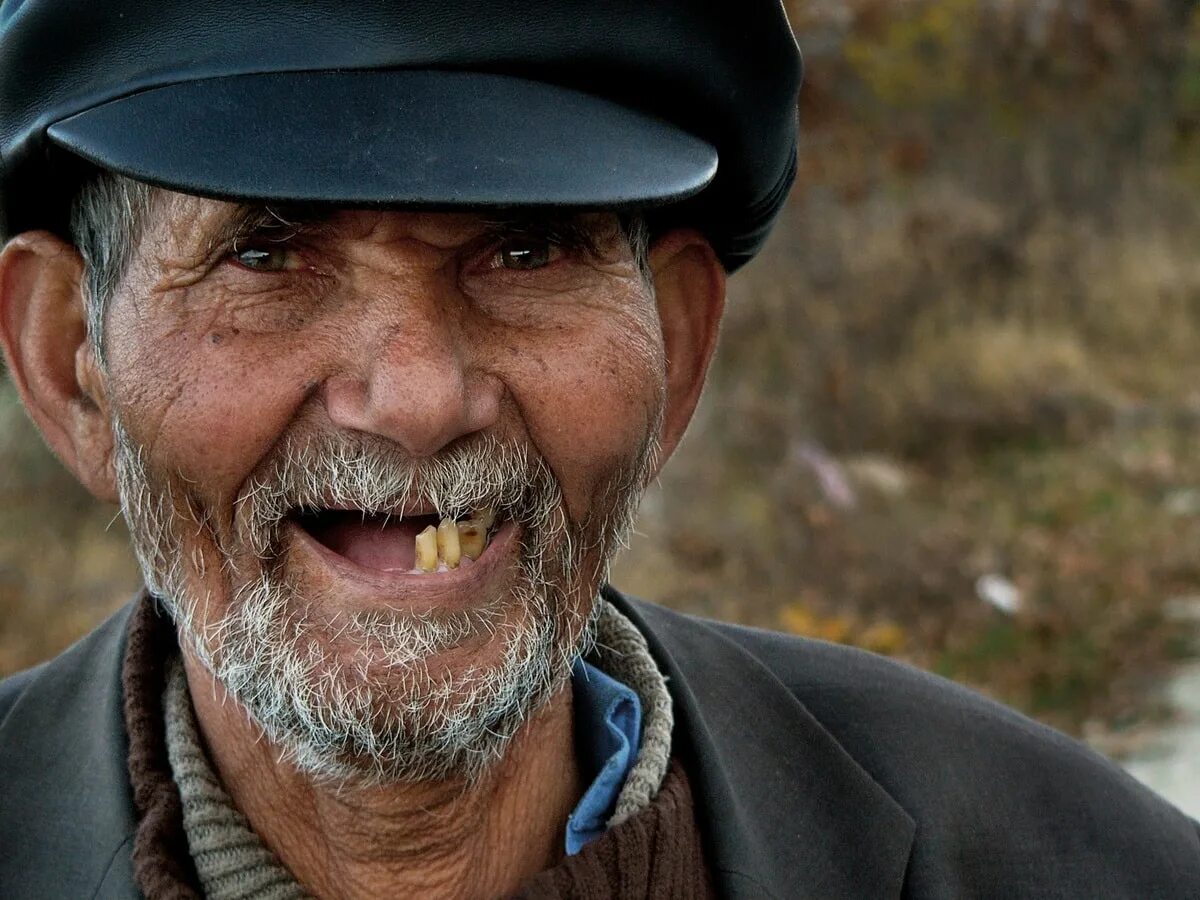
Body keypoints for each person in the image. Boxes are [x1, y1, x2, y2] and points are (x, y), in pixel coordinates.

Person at [0, 1, 1197, 898]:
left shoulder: (1070, 865)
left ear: (674, 346)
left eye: (525, 250)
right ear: (71, 364)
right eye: (267, 251)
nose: (418, 397)